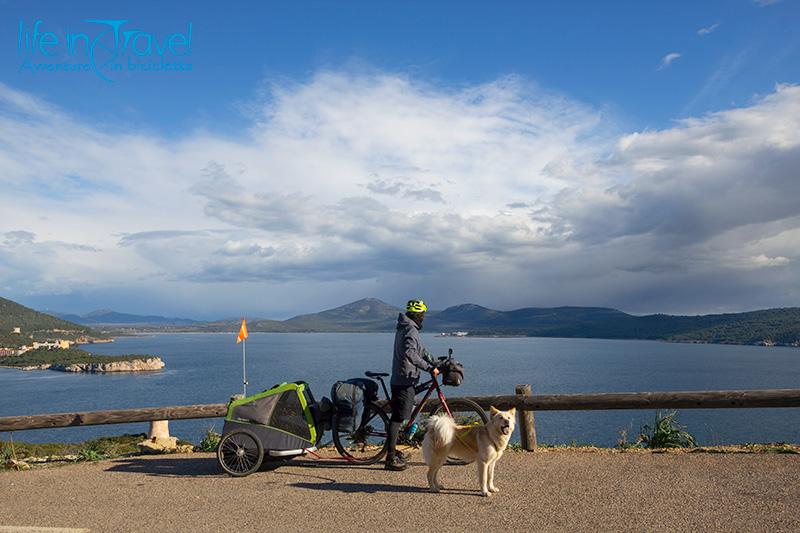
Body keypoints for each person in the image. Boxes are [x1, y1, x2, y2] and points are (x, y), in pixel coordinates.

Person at [385, 299, 439, 471]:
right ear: (417, 315)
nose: (423, 318)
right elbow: (411, 353)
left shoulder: (406, 327)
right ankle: (390, 459)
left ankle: (394, 450)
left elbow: (420, 350)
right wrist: (429, 368)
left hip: (405, 377)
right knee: (398, 418)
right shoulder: (410, 329)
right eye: (422, 315)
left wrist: (434, 361)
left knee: (401, 414)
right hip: (403, 379)